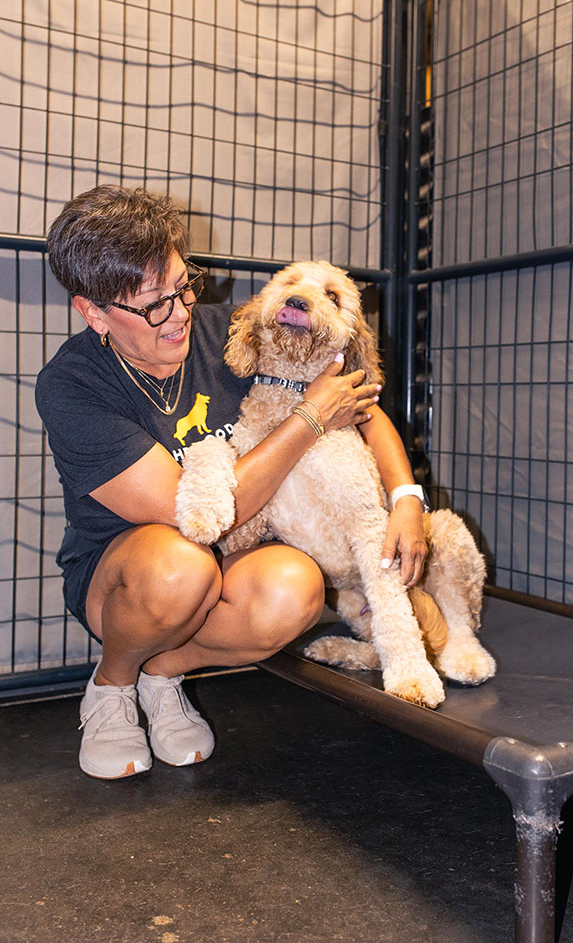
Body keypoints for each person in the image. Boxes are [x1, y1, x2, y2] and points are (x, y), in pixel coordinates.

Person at [36, 185, 429, 780]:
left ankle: (160, 674)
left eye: (183, 285)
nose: (179, 314)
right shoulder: (72, 385)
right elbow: (191, 512)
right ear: (93, 312)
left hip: (237, 555)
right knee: (180, 563)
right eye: (152, 306)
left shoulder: (234, 329)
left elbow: (358, 400)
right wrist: (308, 419)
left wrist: (406, 500)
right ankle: (113, 685)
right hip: (130, 575)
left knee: (295, 588)